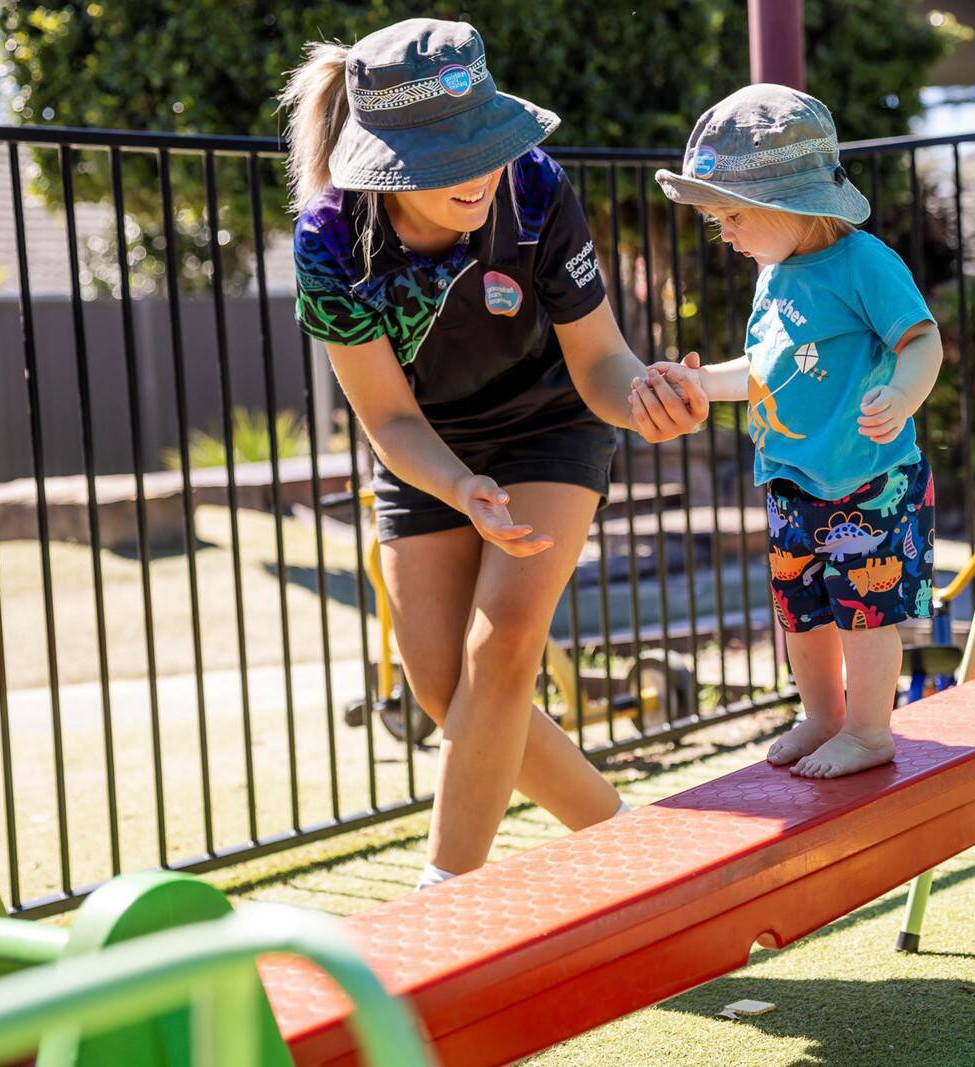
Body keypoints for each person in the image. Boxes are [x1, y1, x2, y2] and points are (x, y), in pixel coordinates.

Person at [282, 18, 708, 887]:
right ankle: (641, 856)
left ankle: (439, 901)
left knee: (504, 640)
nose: (480, 172)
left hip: (548, 424)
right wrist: (458, 483)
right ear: (385, 161)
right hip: (426, 449)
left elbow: (602, 362)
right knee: (446, 690)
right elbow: (388, 420)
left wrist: (645, 400)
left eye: (487, 142)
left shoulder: (536, 187)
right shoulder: (328, 240)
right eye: (451, 156)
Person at [638, 84, 941, 779]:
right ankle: (824, 715)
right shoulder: (773, 275)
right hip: (791, 480)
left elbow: (922, 339)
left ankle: (869, 731)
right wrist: (699, 383)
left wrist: (901, 394)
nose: (725, 234)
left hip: (868, 476)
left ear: (791, 202)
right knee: (801, 611)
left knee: (864, 611)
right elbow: (765, 369)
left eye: (733, 216)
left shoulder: (864, 263)